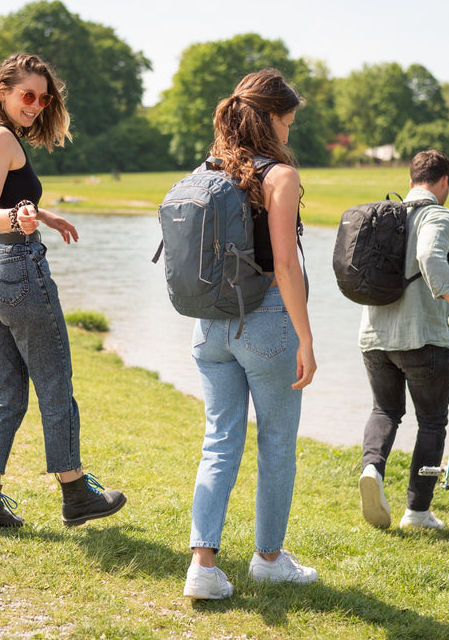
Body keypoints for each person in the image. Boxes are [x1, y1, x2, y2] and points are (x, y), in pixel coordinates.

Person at [0, 53, 126, 537]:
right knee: (54, 384)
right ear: (3, 92)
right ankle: (76, 494)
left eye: (43, 97)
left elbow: (3, 199)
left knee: (7, 392)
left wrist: (43, 214)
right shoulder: (1, 138)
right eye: (27, 95)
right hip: (14, 272)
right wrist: (18, 220)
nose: (36, 105)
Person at [182, 69, 319, 600]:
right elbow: (284, 263)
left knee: (219, 441)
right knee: (277, 442)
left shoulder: (208, 168)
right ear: (271, 120)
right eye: (288, 121)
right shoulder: (278, 175)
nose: (290, 132)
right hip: (264, 324)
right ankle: (267, 559)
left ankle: (203, 566)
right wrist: (306, 338)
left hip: (209, 327)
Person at [358, 149, 449, 531]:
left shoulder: (384, 217)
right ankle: (417, 512)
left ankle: (372, 469)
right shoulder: (438, 214)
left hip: (374, 337)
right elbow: (430, 254)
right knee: (433, 421)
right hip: (422, 338)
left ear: (410, 182)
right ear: (443, 182)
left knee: (384, 410)